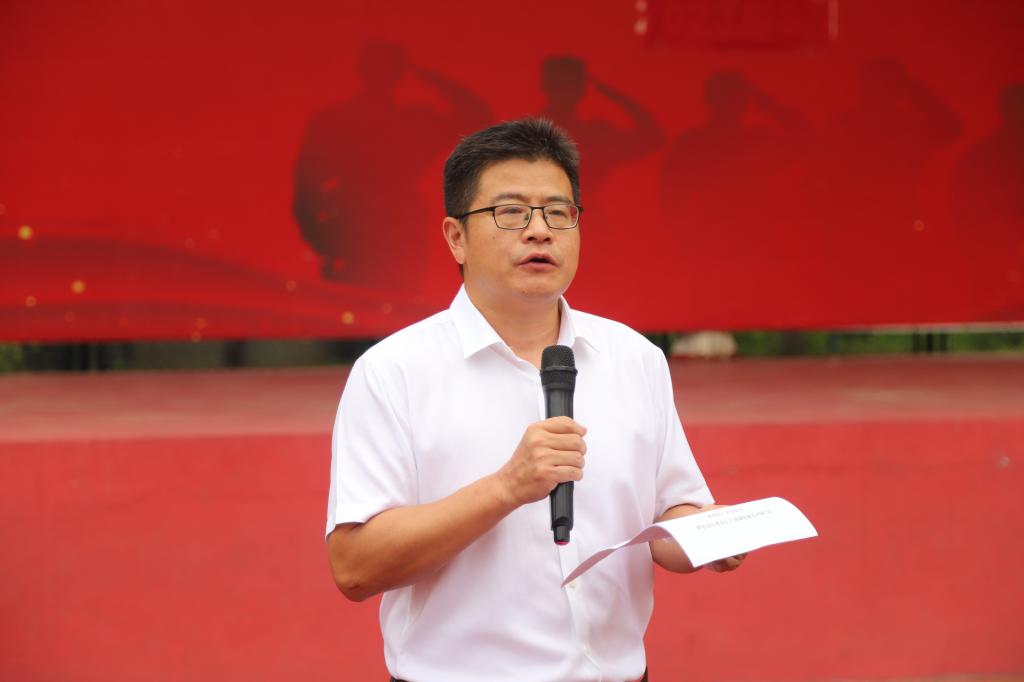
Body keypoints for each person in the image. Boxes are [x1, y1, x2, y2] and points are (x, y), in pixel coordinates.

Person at [325, 118, 745, 682]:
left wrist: (709, 536)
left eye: (558, 212)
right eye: (511, 212)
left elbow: (669, 515)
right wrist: (507, 488)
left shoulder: (634, 358)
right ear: (455, 237)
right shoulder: (393, 372)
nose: (540, 231)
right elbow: (354, 567)